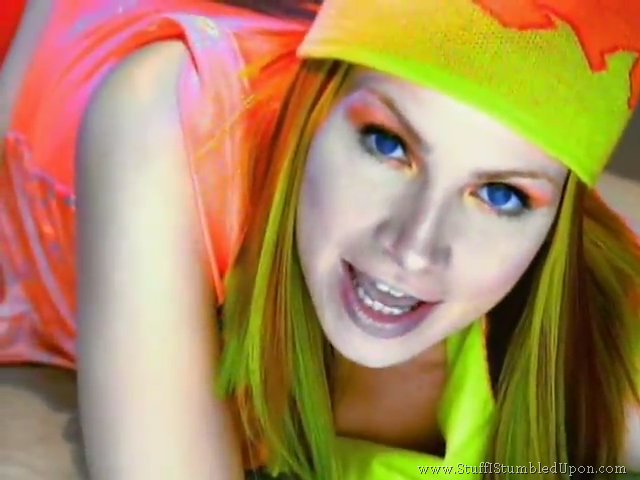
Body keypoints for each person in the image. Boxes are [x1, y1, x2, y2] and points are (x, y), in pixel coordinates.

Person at [1, 0, 640, 479]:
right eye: (386, 144)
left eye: (500, 195)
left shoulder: (581, 281)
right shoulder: (165, 120)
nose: (414, 246)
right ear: (317, 106)